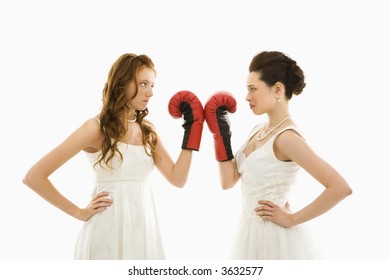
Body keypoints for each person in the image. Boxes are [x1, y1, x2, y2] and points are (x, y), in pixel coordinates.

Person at [22, 53, 204, 260]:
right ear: (122, 84)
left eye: (153, 85)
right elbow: (34, 176)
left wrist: (192, 129)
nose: (150, 92)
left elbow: (177, 178)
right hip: (106, 232)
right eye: (143, 84)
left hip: (144, 232)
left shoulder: (148, 132)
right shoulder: (95, 128)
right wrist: (79, 213)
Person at [204, 51, 352, 259]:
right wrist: (222, 136)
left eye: (253, 89)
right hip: (249, 234)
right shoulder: (257, 129)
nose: (247, 97)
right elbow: (228, 181)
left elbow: (340, 188)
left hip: (274, 239)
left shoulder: (287, 138)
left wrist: (292, 219)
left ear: (278, 89)